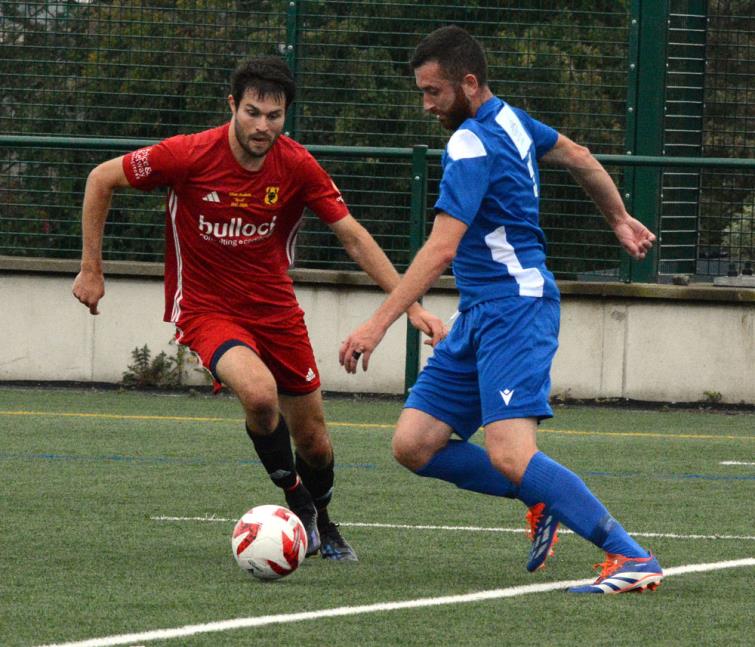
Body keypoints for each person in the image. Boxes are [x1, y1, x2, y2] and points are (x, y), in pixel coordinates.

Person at [72, 56, 444, 562]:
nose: (262, 126)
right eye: (252, 113)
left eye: (274, 116)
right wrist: (91, 268)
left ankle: (323, 521)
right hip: (206, 309)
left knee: (315, 443)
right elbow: (100, 178)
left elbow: (353, 237)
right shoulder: (187, 155)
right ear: (232, 106)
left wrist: (412, 307)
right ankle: (298, 504)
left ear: (286, 114)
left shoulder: (296, 164)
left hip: (276, 310)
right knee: (259, 393)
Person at [339, 26, 663, 593]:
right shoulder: (512, 120)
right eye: (422, 91)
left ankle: (631, 556)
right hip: (483, 312)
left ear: (469, 83)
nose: (426, 105)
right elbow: (580, 156)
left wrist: (377, 323)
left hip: (514, 308)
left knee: (511, 453)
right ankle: (542, 496)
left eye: (434, 92)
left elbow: (441, 248)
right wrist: (617, 216)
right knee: (414, 445)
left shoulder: (469, 142)